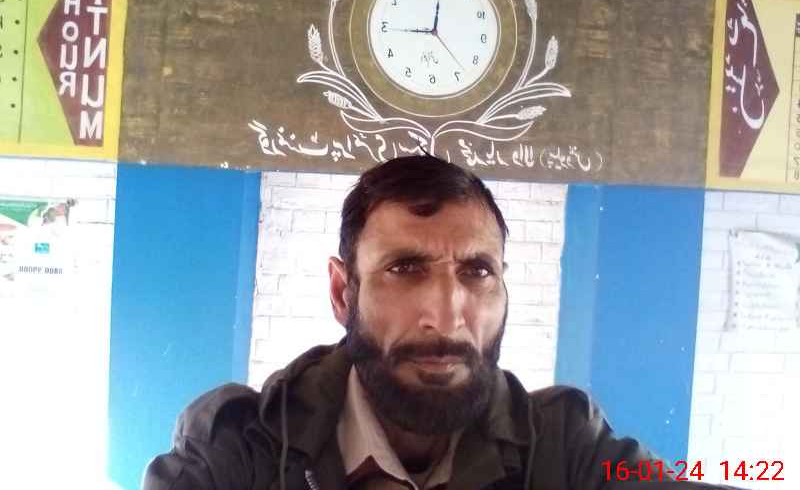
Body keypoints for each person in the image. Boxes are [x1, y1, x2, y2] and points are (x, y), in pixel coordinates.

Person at [143, 155, 738, 490]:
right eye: (405, 269)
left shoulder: (564, 448)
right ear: (342, 291)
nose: (448, 314)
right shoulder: (241, 450)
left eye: (477, 272)